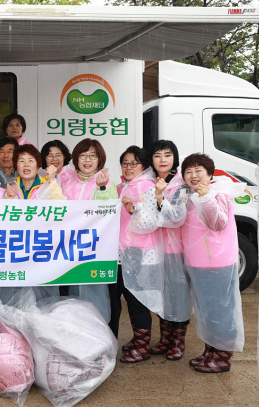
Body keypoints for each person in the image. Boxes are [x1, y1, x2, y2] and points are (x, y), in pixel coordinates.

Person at [0, 144, 62, 304]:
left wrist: (52, 182)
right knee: (15, 303)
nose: (26, 165)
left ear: (38, 164)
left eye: (30, 160)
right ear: (16, 165)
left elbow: (61, 213)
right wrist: (7, 202)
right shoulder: (8, 189)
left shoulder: (49, 186)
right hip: (15, 255)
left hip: (41, 254)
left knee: (43, 306)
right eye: (21, 161)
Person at [180, 153, 245, 373]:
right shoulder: (191, 195)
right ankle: (210, 351)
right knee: (206, 311)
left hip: (217, 263)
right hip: (197, 263)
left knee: (221, 311)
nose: (193, 175)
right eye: (188, 171)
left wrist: (206, 197)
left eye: (198, 170)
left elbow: (218, 223)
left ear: (210, 174)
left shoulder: (218, 194)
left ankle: (223, 357)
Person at [138, 140, 193, 361]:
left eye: (167, 155)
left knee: (178, 295)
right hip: (155, 248)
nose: (162, 160)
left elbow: (176, 218)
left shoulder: (182, 184)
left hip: (177, 249)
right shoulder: (149, 182)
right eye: (157, 155)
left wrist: (160, 197)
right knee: (161, 294)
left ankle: (178, 342)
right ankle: (165, 339)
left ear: (174, 158)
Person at [113, 146, 162, 363]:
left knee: (137, 300)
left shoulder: (148, 188)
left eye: (134, 163)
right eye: (125, 162)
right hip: (122, 252)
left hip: (140, 252)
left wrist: (133, 209)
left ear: (143, 166)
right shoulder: (121, 187)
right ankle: (137, 340)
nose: (129, 167)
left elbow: (151, 223)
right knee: (127, 297)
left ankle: (142, 348)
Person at [58, 138, 116, 323]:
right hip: (66, 249)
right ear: (76, 158)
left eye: (93, 155)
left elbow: (108, 215)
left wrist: (101, 188)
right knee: (69, 298)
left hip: (93, 250)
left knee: (95, 297)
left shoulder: (107, 183)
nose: (88, 160)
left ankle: (100, 341)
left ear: (100, 160)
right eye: (83, 155)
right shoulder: (65, 182)